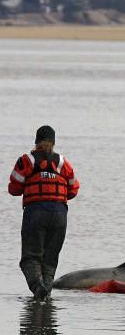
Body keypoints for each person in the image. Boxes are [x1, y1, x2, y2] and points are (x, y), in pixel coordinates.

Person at [8, 126, 80, 300]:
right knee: (50, 260)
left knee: (30, 259)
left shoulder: (26, 160)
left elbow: (14, 188)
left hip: (36, 212)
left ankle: (38, 289)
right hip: (59, 214)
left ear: (36, 141)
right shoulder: (63, 162)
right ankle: (45, 295)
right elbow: (74, 189)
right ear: (53, 143)